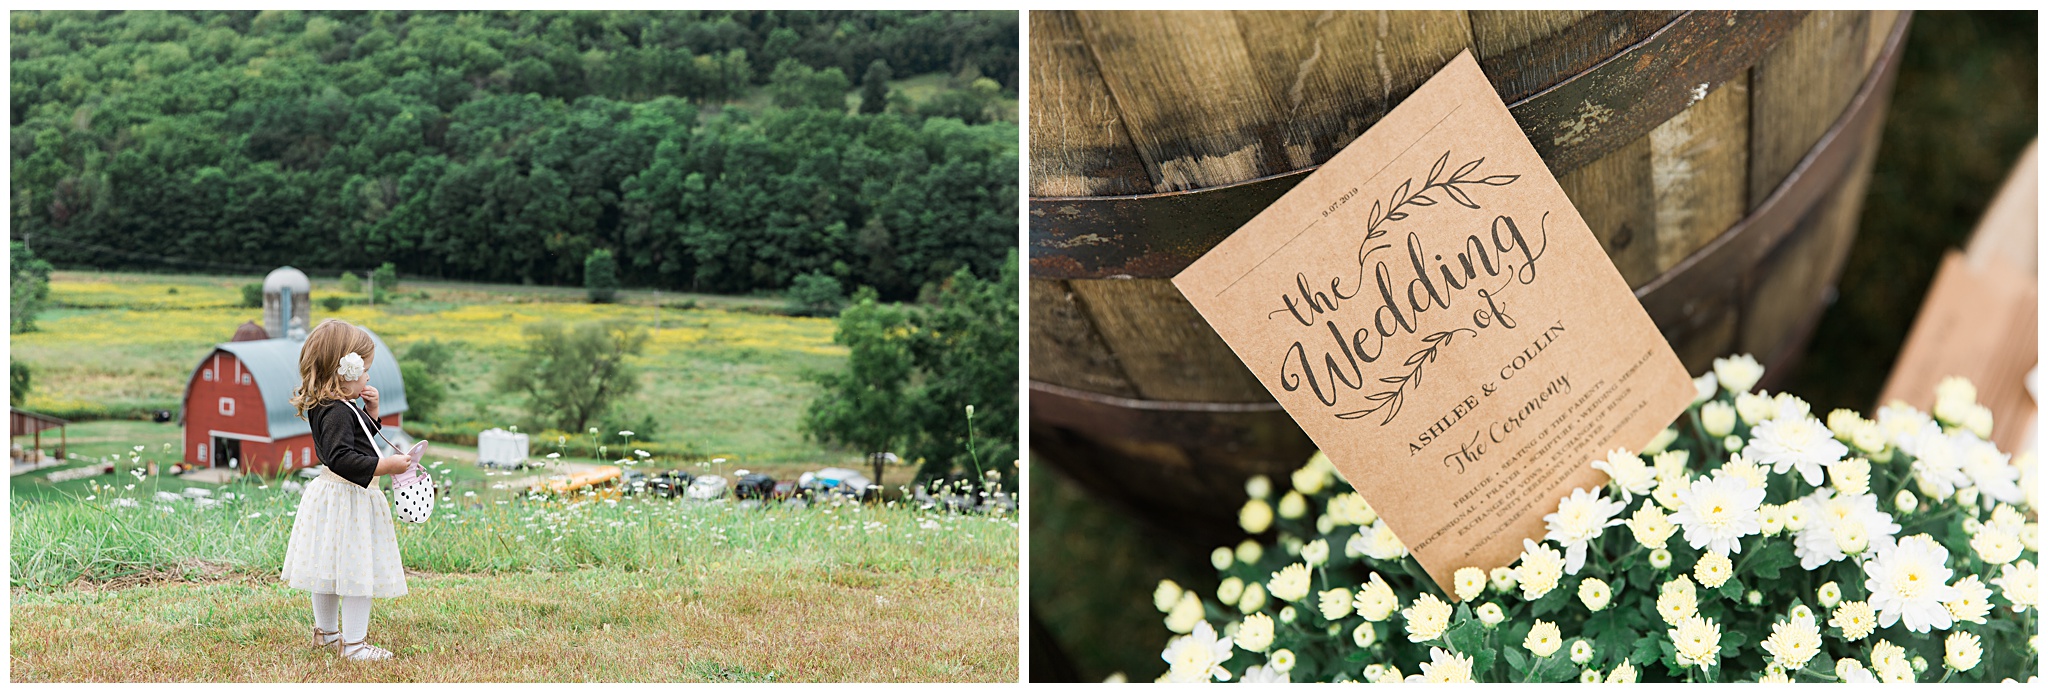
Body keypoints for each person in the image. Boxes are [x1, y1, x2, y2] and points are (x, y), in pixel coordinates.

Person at [278, 319, 414, 661]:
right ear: (345, 371)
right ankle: (353, 646)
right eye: (364, 370)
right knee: (356, 571)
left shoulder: (329, 405)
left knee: (327, 570)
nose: (368, 377)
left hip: (330, 495)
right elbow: (343, 457)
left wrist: (372, 413)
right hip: (349, 496)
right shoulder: (338, 410)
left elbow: (357, 439)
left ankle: (326, 634)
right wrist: (386, 467)